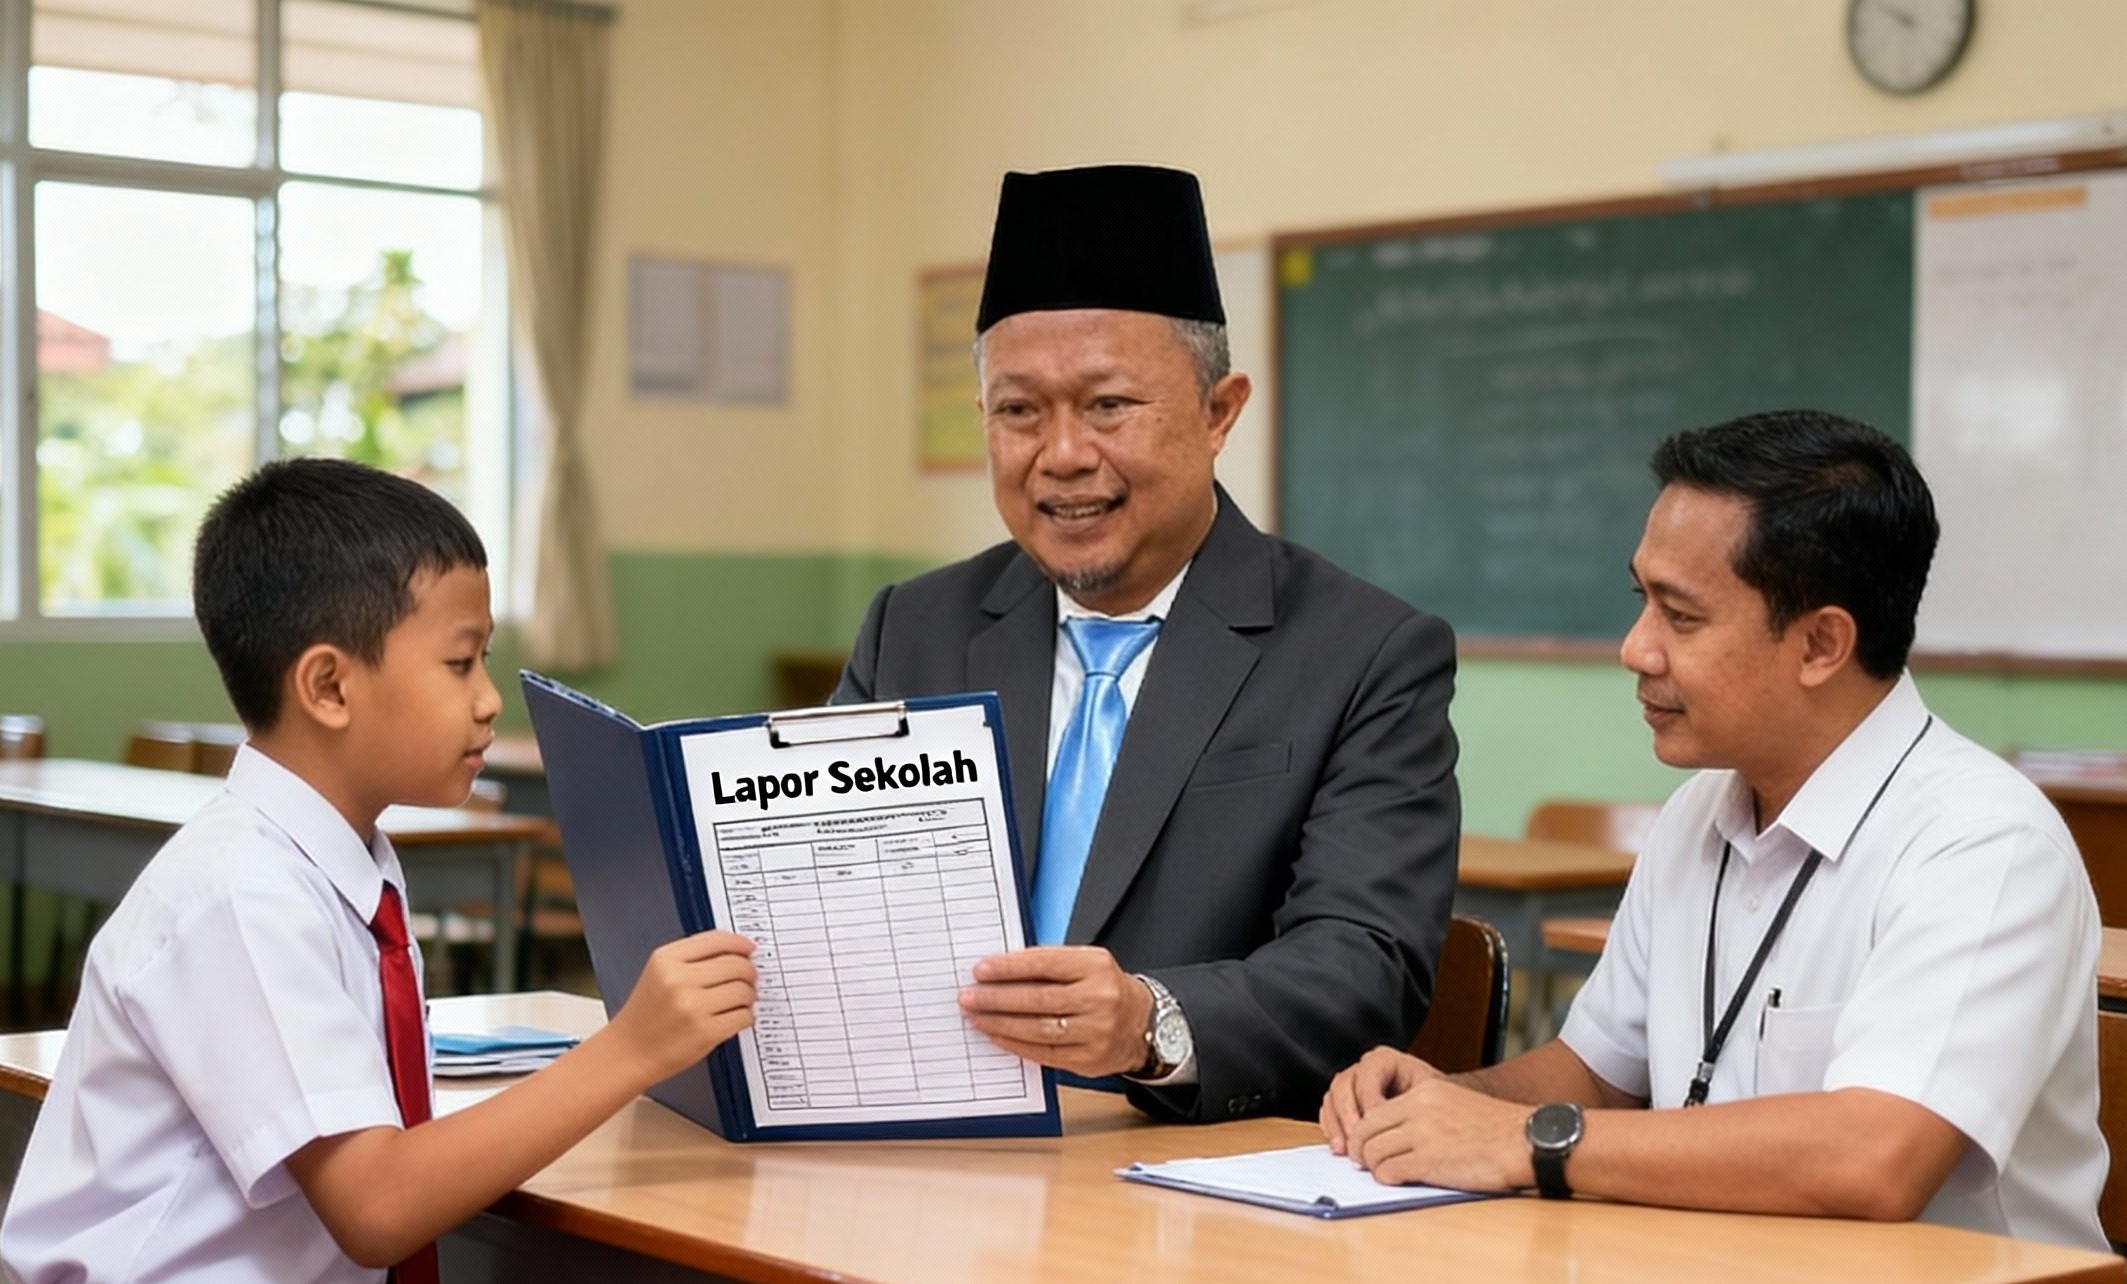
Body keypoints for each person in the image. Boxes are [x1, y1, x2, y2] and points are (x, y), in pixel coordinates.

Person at [1319, 409, 2107, 1250]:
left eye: (1680, 617)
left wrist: (1522, 1142)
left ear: (1820, 644)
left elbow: (1875, 1159)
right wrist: (1445, 1103)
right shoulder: (1700, 811)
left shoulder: (1980, 844)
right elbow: (1598, 1075)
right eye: (1640, 601)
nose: (1635, 649)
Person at [0, 459, 759, 1283]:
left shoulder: (339, 862)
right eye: (460, 663)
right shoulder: (242, 893)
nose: (488, 699)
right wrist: (631, 1048)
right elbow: (378, 1209)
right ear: (329, 685)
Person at [836, 164, 1461, 1123]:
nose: (1063, 455)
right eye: (1018, 411)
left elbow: (1361, 964)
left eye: (1108, 406)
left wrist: (1149, 1022)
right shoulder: (912, 628)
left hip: (1186, 1169)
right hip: (919, 1132)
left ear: (1219, 413)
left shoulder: (1364, 653)